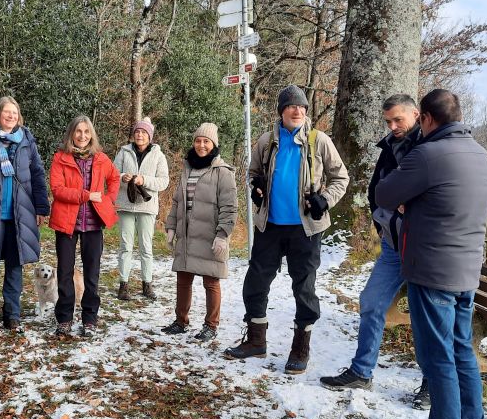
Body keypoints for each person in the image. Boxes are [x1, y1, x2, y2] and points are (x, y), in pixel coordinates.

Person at [375, 88, 487, 419]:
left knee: (437, 354)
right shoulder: (480, 154)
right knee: (461, 349)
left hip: (431, 269)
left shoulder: (427, 154)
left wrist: (409, 200)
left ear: (425, 118)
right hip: (467, 270)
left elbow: (383, 194)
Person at [226, 84, 349, 375]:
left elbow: (340, 178)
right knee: (255, 283)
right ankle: (256, 340)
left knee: (304, 288)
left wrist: (325, 199)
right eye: (291, 106)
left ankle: (300, 347)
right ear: (281, 110)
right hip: (269, 225)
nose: (297, 110)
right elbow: (253, 173)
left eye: (302, 106)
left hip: (305, 229)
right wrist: (256, 187)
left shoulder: (319, 140)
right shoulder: (267, 141)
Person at [320, 94, 429, 405]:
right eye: (388, 121)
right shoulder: (390, 147)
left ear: (416, 114)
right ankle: (362, 371)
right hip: (393, 247)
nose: (392, 126)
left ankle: (432, 383)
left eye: (398, 120)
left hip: (422, 249)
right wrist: (381, 223)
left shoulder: (429, 147)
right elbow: (376, 190)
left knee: (424, 316)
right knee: (371, 302)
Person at [0, 96, 50, 332]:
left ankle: (12, 315)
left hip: (20, 215)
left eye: (15, 113)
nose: (11, 116)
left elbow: (37, 174)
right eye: (7, 112)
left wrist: (41, 207)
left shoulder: (26, 141)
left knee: (15, 267)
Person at [163, 123, 237, 342]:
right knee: (183, 279)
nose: (201, 145)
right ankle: (180, 321)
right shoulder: (187, 168)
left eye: (206, 141)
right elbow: (177, 201)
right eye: (198, 140)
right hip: (187, 236)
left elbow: (229, 207)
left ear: (214, 144)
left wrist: (223, 234)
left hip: (210, 236)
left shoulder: (223, 172)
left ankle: (211, 325)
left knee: (211, 282)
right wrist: (171, 227)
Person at [49, 116, 119, 338]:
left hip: (94, 223)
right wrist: (86, 195)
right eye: (78, 131)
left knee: (92, 273)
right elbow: (57, 189)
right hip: (66, 222)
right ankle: (64, 318)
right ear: (72, 133)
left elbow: (115, 178)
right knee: (65, 272)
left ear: (92, 135)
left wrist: (108, 199)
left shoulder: (101, 158)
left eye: (87, 132)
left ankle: (89, 318)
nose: (82, 136)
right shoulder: (61, 158)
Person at [113, 117, 170, 301]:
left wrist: (143, 180)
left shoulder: (158, 155)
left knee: (146, 247)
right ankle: (123, 285)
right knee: (125, 246)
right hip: (125, 204)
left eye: (144, 132)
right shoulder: (124, 152)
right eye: (137, 131)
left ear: (150, 136)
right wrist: (123, 177)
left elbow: (163, 181)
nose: (140, 135)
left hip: (147, 207)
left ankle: (147, 284)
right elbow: (112, 173)